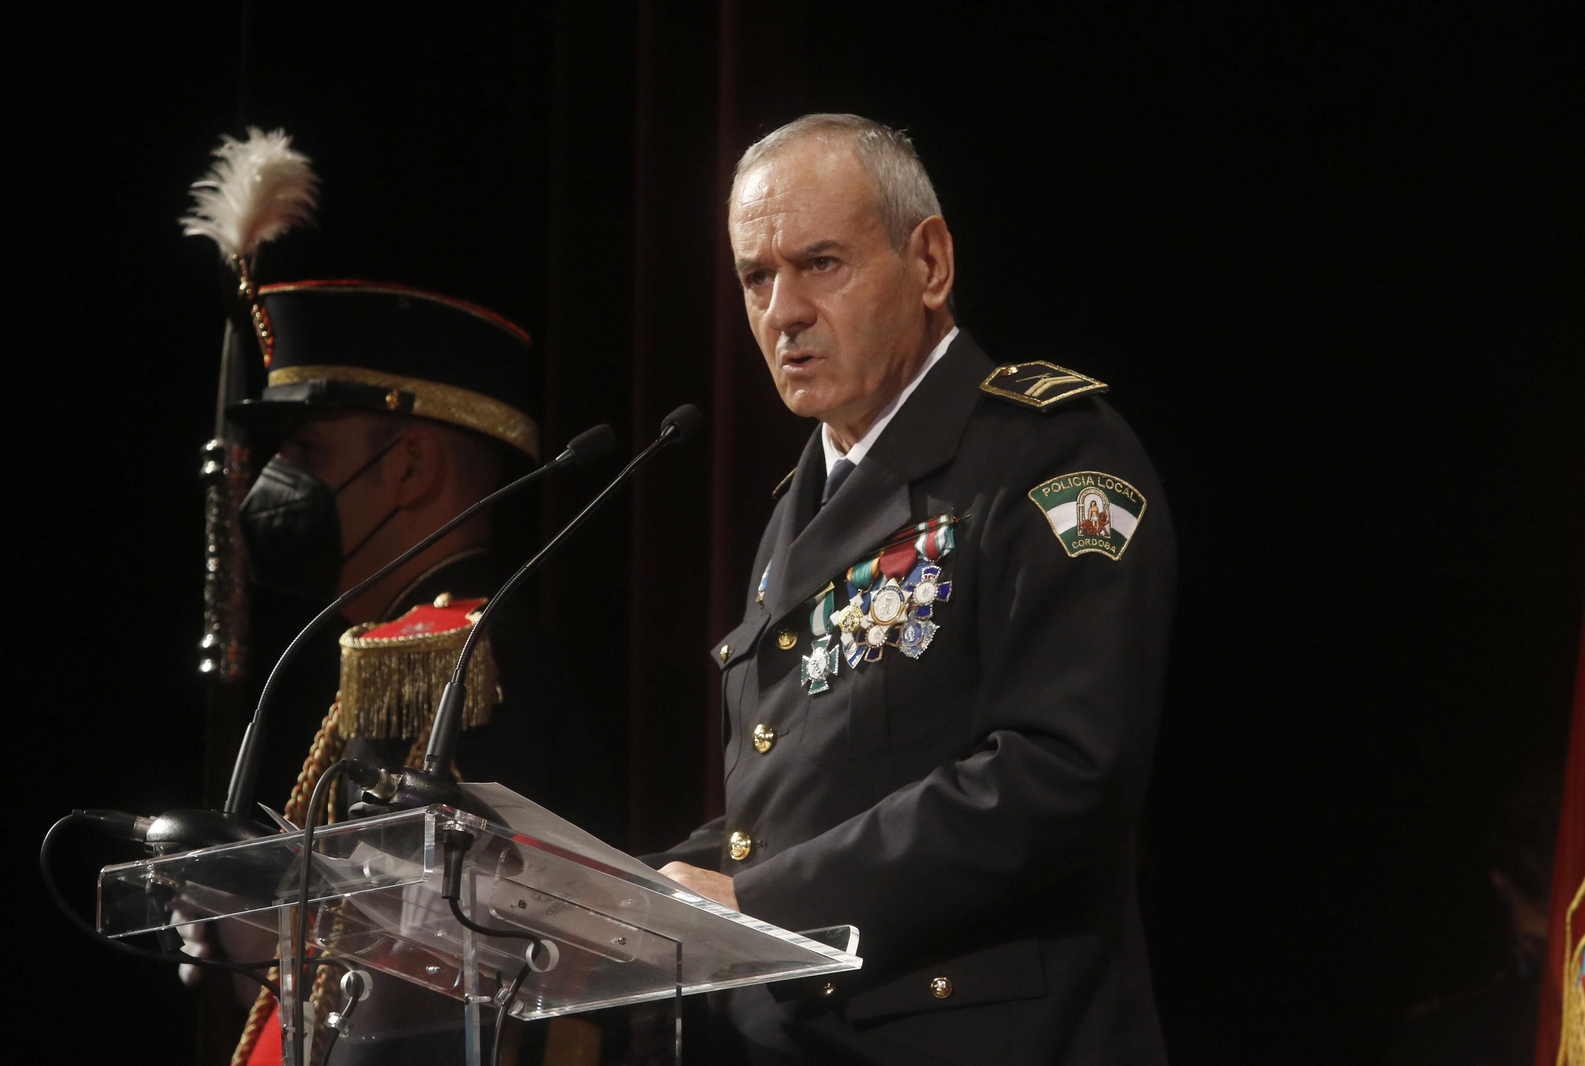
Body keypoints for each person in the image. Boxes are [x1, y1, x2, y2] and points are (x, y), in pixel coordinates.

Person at [652, 114, 1177, 1064]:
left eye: (820, 264)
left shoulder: (1049, 453)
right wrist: (630, 892)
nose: (783, 311)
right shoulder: (798, 508)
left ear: (929, 263)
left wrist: (766, 902)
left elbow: (1062, 769)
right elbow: (803, 803)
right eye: (756, 278)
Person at [182, 279, 617, 1065]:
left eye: (308, 451)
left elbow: (453, 972)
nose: (275, 480)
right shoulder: (402, 643)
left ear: (411, 467)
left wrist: (262, 921)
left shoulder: (457, 656)